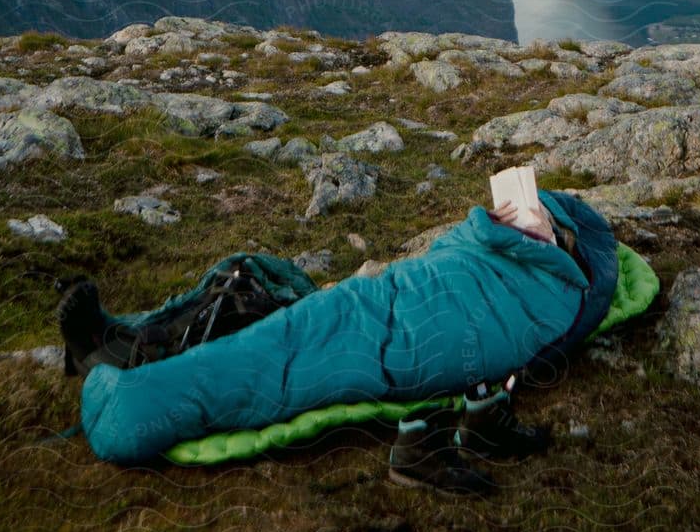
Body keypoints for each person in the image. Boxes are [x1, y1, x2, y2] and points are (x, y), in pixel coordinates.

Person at [58, 187, 619, 490]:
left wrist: (528, 246)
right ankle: (122, 342)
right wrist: (489, 228)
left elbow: (523, 323)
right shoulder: (492, 245)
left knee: (287, 349)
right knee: (262, 296)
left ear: (567, 249)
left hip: (412, 333)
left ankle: (128, 378)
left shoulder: (560, 294)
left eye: (550, 226)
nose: (540, 222)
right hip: (396, 296)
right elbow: (446, 255)